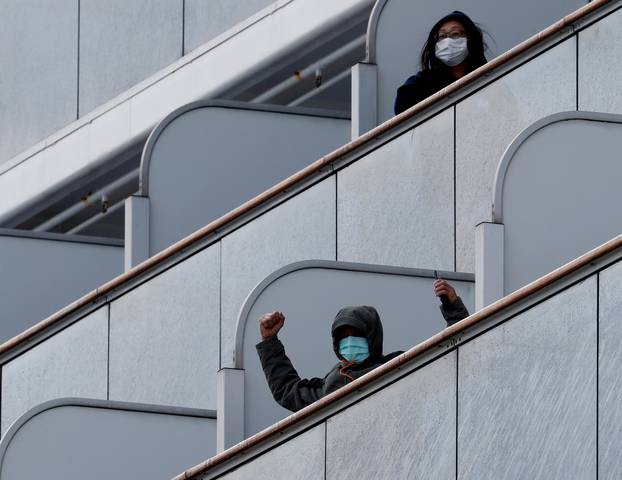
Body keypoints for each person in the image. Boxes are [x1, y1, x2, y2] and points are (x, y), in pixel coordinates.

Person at [256, 279, 469, 412]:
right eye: (343, 337)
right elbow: (286, 390)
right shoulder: (330, 386)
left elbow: (451, 356)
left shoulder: (398, 367)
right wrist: (269, 341)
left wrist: (453, 307)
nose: (349, 342)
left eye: (357, 335)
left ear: (372, 338)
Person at [394, 11, 487, 115]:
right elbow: (402, 107)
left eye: (455, 34)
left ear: (470, 39)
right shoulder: (424, 81)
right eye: (442, 36)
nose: (447, 41)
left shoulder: (487, 76)